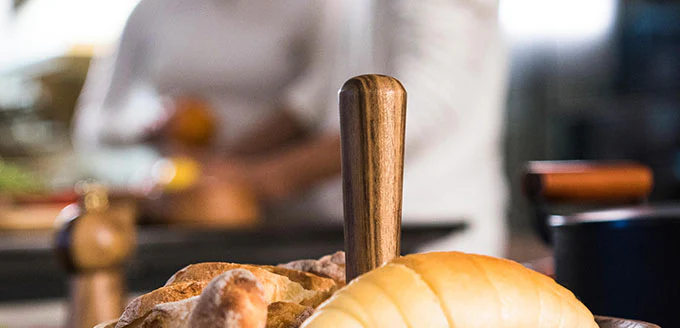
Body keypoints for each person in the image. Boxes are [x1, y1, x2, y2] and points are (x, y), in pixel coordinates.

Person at [73, 0, 508, 255]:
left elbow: (417, 109)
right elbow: (316, 100)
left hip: (429, 229)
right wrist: (224, 167)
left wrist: (262, 180)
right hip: (343, 236)